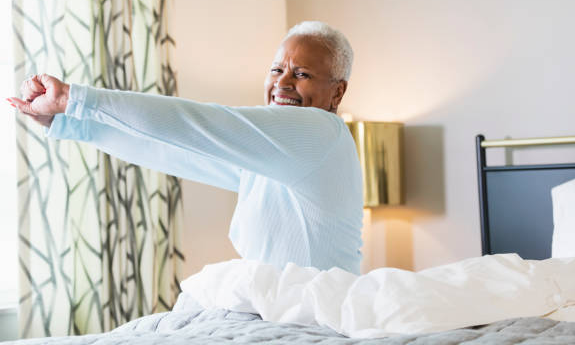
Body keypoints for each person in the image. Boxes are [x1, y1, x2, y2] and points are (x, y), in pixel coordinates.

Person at [8, 21, 364, 274]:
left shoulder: (321, 131)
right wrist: (67, 121)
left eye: (301, 74)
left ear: (337, 92)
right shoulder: (278, 156)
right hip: (277, 309)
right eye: (276, 70)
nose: (281, 83)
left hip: (312, 316)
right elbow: (172, 149)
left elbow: (196, 124)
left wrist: (74, 98)